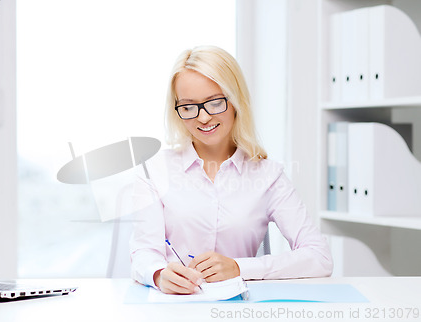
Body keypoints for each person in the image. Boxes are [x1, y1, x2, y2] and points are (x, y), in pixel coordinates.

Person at [129, 46, 333, 295]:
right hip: (175, 308)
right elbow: (143, 253)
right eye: (188, 107)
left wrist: (239, 267)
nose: (202, 118)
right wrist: (159, 274)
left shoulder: (268, 175)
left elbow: (319, 257)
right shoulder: (154, 171)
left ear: (236, 101)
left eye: (215, 103)